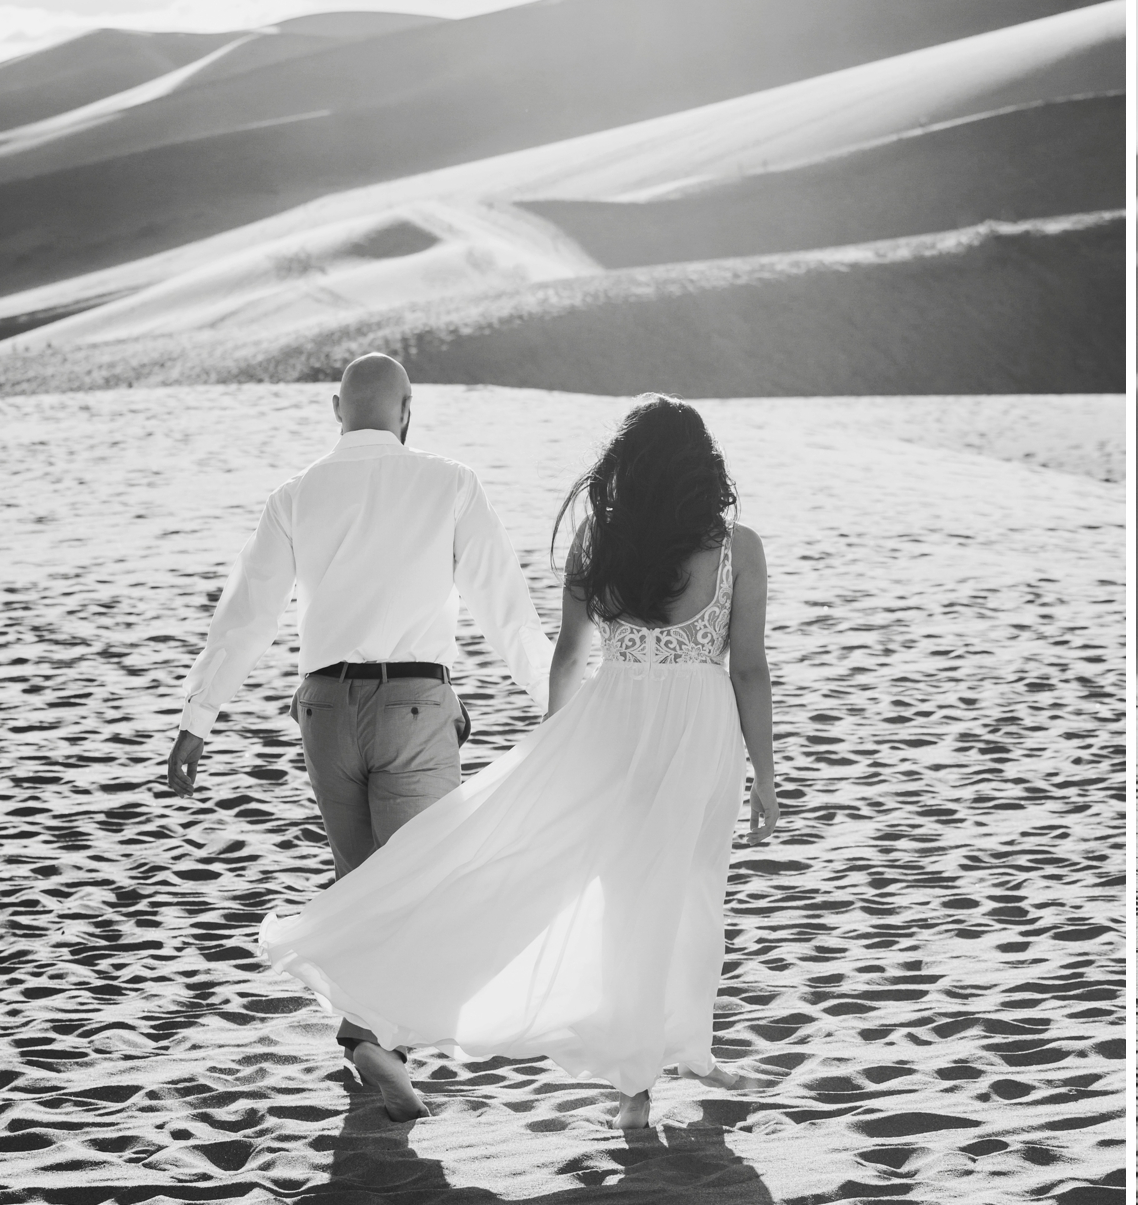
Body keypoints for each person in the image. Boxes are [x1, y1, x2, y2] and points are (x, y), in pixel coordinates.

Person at [257, 395, 780, 1130]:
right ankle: (666, 1055)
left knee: (627, 899)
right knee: (690, 891)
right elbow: (748, 670)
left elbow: (568, 658)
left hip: (612, 724)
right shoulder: (737, 547)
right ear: (703, 468)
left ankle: (645, 1079)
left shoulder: (601, 539)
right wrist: (768, 772)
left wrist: (557, 747)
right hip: (701, 732)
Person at [168, 352, 552, 1120]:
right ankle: (384, 1045)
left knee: (362, 879)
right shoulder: (450, 483)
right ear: (408, 410)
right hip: (414, 705)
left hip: (326, 713)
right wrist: (558, 699)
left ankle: (362, 1038)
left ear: (335, 410)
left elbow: (247, 615)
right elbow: (504, 609)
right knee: (419, 885)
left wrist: (196, 719)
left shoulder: (296, 495)